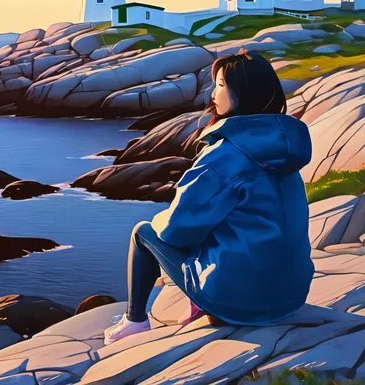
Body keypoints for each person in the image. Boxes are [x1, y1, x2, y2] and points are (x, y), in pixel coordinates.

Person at [103, 48, 315, 345]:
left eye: (221, 85)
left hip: (240, 302)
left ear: (244, 92)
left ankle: (134, 321)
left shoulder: (224, 155)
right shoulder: (285, 150)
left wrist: (168, 219)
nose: (212, 93)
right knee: (221, 221)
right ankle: (197, 305)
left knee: (144, 233)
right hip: (290, 295)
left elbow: (176, 229)